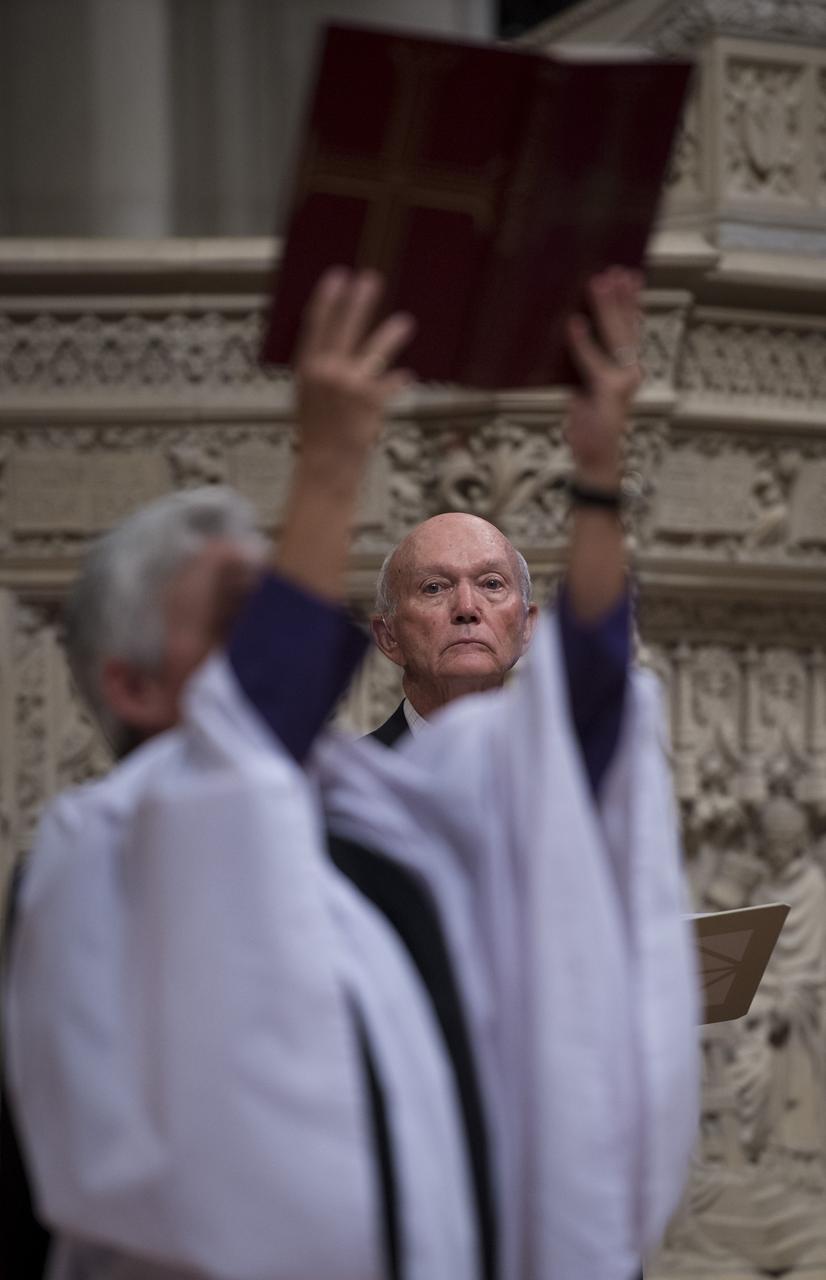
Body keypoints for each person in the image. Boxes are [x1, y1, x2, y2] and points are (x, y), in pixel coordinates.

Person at [3, 267, 699, 1280]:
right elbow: (234, 764)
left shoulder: (371, 825)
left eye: (283, 615)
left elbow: (577, 737)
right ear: (132, 683)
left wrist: (596, 477)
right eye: (245, 619)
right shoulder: (91, 855)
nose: (288, 643)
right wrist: (328, 465)